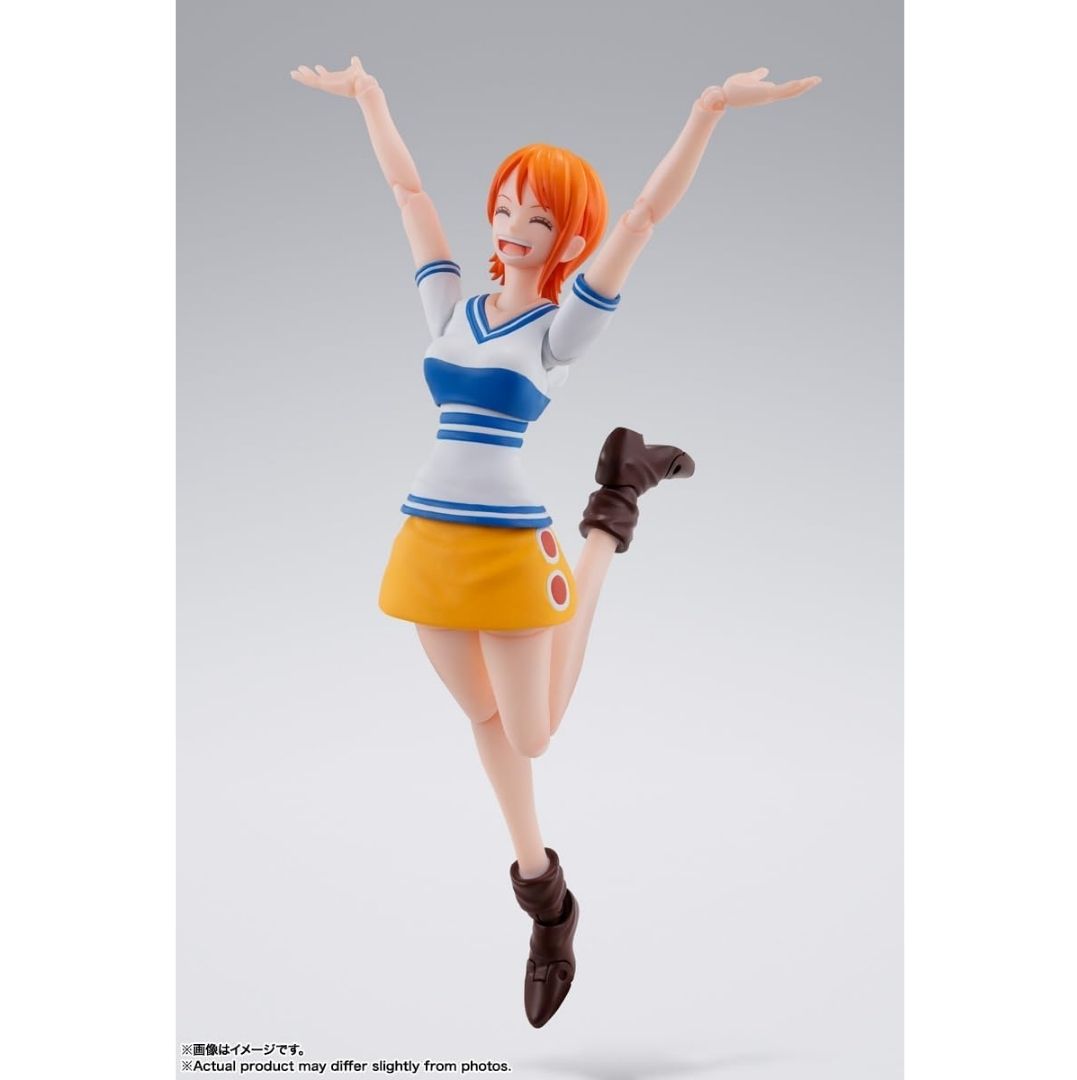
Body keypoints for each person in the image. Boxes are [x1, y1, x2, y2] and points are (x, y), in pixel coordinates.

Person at [291, 55, 821, 1027]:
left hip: (507, 545)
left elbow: (642, 219)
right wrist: (370, 98)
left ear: (565, 236)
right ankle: (546, 899)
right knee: (485, 718)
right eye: (505, 207)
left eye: (536, 218)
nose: (512, 227)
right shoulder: (452, 308)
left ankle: (611, 514)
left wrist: (707, 108)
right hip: (427, 540)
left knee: (532, 732)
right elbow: (408, 193)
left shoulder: (558, 330)